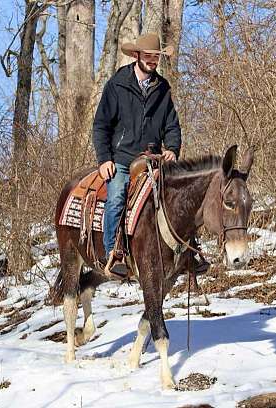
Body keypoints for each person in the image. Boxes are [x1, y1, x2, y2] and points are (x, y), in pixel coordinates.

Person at [92, 33, 181, 278]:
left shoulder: (162, 88)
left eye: (156, 56)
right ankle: (114, 253)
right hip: (121, 158)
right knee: (117, 196)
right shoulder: (117, 85)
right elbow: (101, 125)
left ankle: (186, 252)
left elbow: (172, 124)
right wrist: (104, 159)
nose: (153, 60)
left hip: (153, 159)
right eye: (149, 56)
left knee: (179, 194)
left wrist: (172, 148)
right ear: (137, 55)